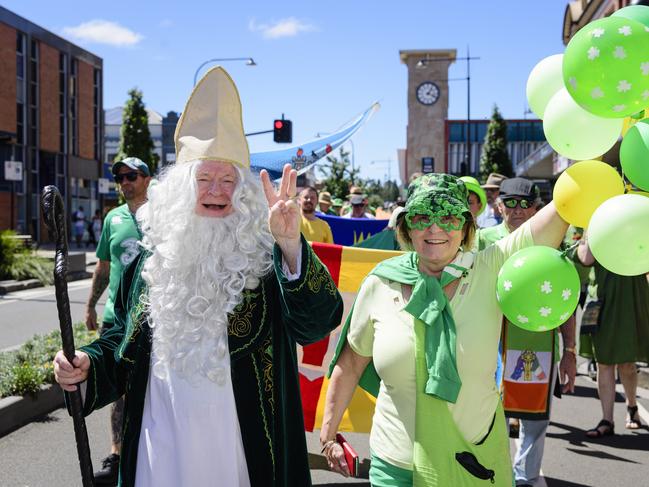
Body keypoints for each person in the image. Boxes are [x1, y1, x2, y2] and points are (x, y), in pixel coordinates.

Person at [54, 66, 343, 487]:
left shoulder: (266, 261)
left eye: (229, 180)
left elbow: (318, 322)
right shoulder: (148, 264)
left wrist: (291, 245)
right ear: (181, 190)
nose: (217, 191)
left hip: (243, 455)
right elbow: (119, 343)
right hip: (161, 448)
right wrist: (85, 367)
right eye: (205, 178)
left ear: (243, 192)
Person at [321, 174, 569, 486]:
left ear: (466, 227)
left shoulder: (490, 267)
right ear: (407, 226)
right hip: (395, 466)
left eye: (449, 217)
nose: (435, 228)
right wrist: (328, 437)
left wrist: (590, 170)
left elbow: (559, 212)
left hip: (472, 463)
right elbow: (351, 362)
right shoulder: (380, 282)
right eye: (423, 216)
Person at [477, 177, 576, 487]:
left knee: (534, 420)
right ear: (498, 205)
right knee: (490, 418)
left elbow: (566, 299)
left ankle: (526, 478)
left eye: (525, 204)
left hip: (539, 343)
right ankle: (492, 473)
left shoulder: (551, 242)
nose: (517, 210)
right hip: (491, 343)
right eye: (510, 203)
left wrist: (570, 351)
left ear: (536, 208)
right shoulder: (482, 240)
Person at [85, 156, 152, 485]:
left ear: (147, 179)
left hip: (152, 320)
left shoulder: (163, 218)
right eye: (120, 178)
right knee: (119, 391)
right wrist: (90, 306)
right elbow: (104, 267)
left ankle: (147, 452)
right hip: (116, 320)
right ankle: (117, 454)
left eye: (131, 176)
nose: (124, 182)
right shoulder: (112, 219)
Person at [575, 234, 649, 438]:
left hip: (631, 296)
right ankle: (607, 419)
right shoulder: (593, 220)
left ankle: (632, 407)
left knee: (627, 361)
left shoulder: (632, 216)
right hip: (602, 298)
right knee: (603, 362)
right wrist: (590, 230)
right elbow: (586, 258)